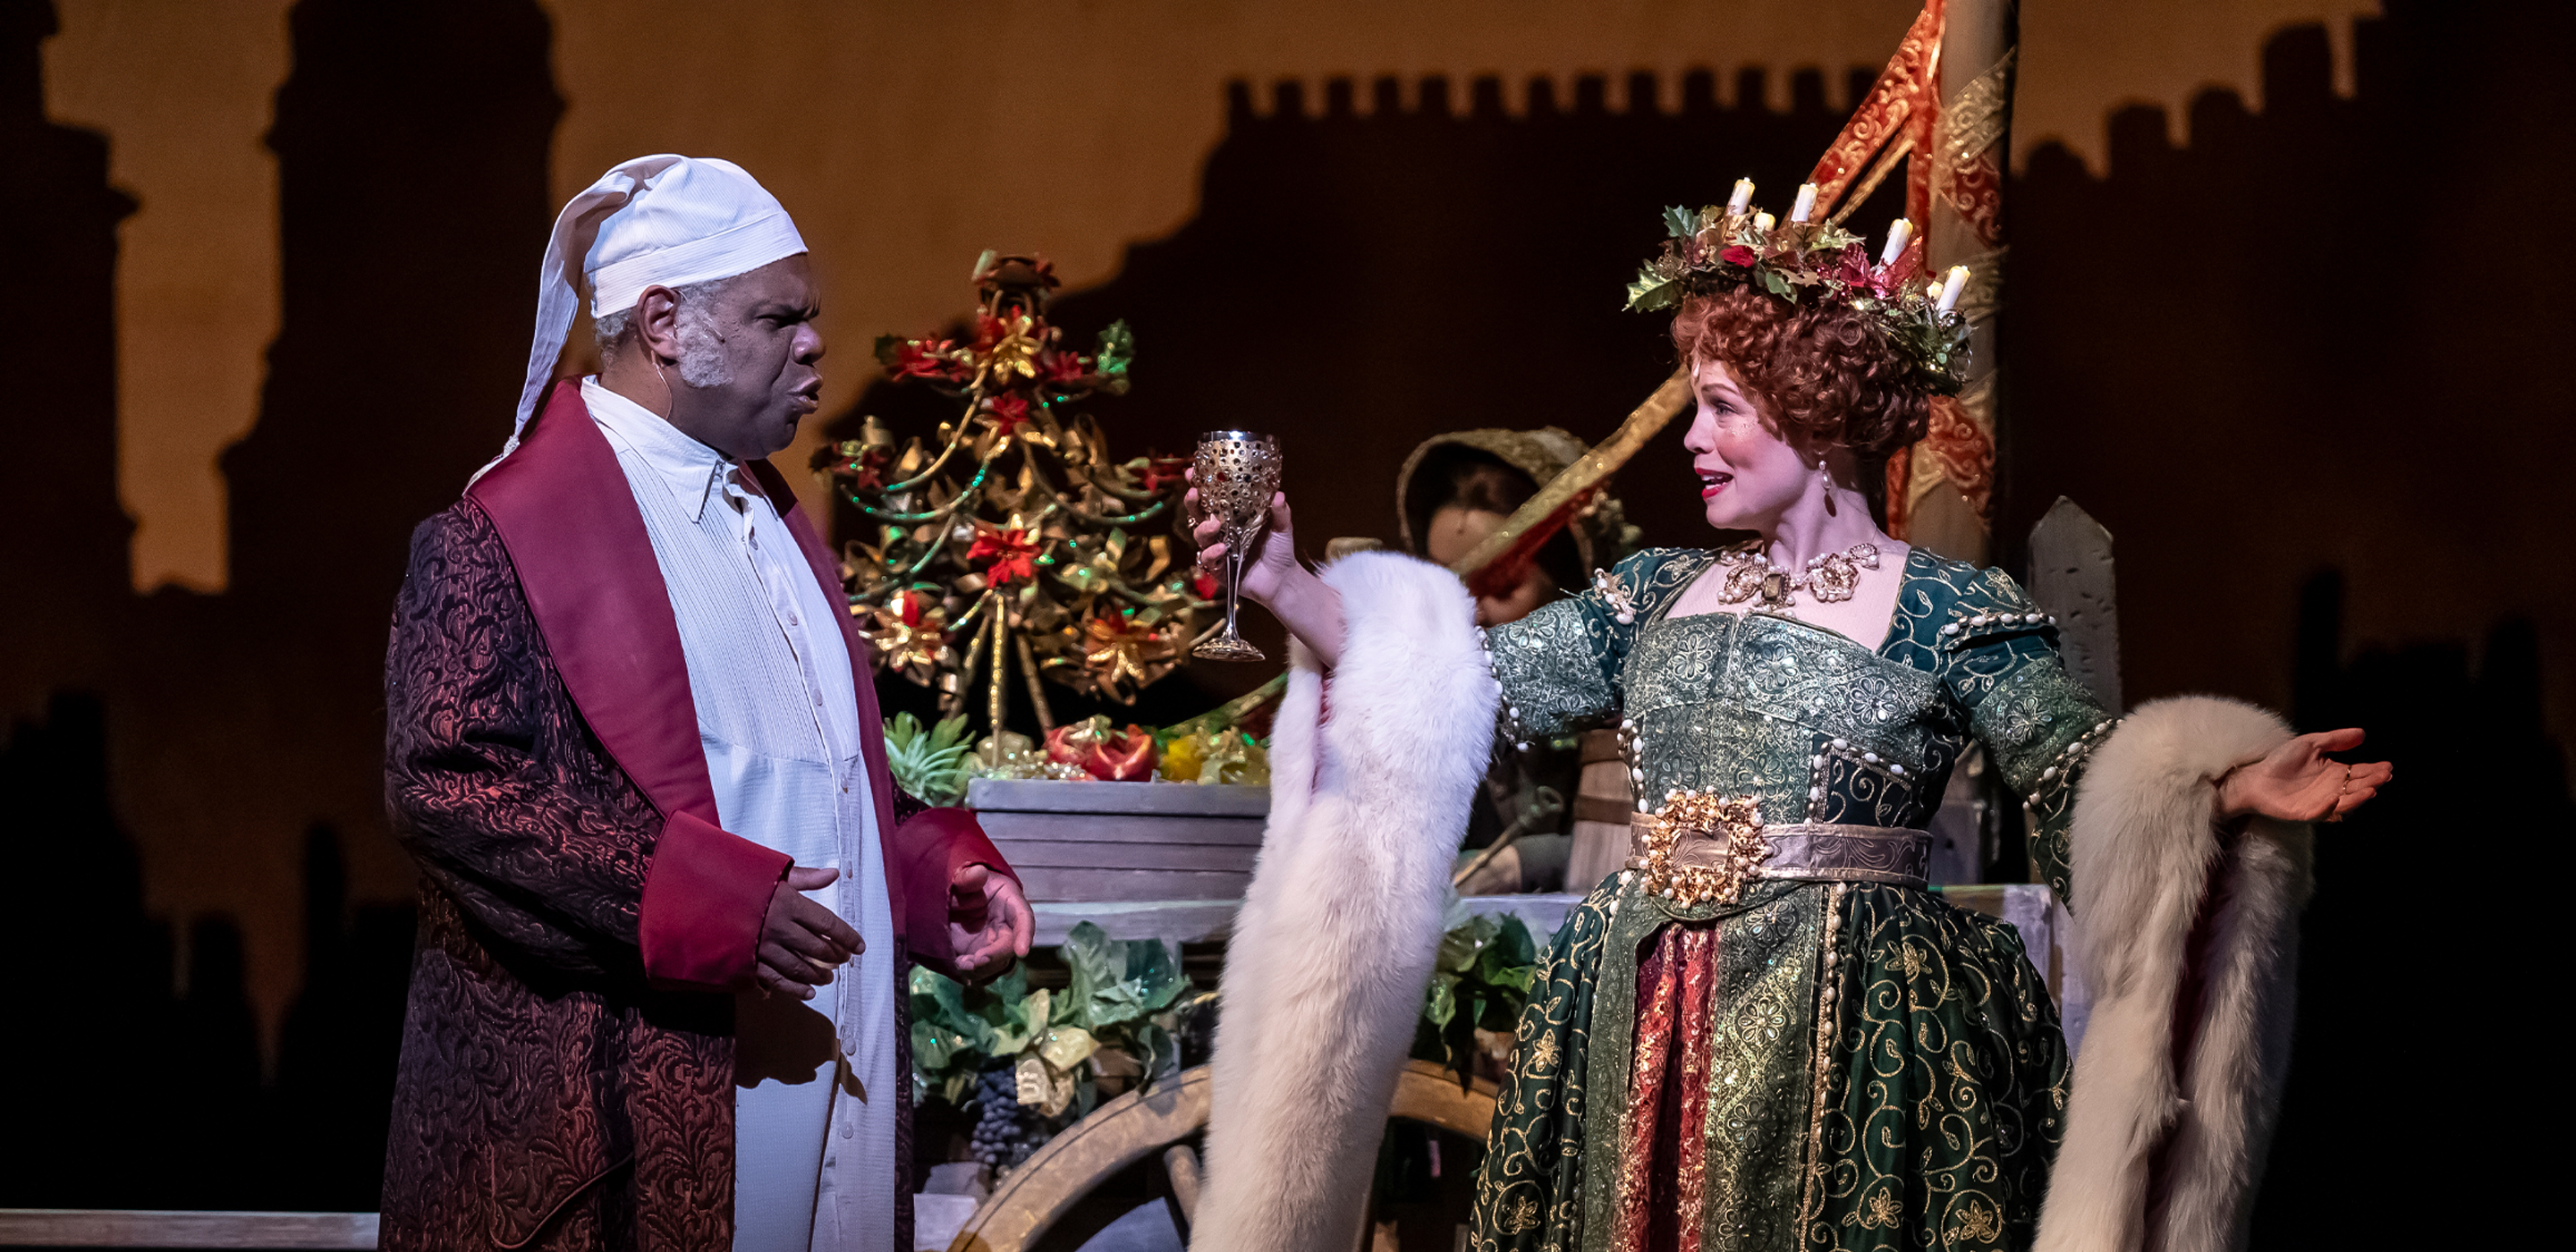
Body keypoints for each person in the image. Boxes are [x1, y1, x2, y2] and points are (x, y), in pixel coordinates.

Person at [1183, 199, 2387, 1252]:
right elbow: (1456, 683)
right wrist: (1284, 589)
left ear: (1813, 410)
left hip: (1859, 1023)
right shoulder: (1651, 594)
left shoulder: (1950, 610)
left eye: (1720, 408)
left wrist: (2218, 791)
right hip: (1639, 1009)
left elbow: (2075, 776)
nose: (1694, 440)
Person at [379, 154, 1034, 1252]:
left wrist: (923, 872)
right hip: (634, 1097)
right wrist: (704, 901)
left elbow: (808, 775)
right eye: (780, 317)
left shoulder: (764, 514)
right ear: (665, 323)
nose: (815, 343)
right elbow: (451, 786)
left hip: (821, 1058)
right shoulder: (495, 534)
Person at [1397, 429, 1639, 894]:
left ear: (1573, 585)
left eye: (1501, 586)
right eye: (1444, 585)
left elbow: (1678, 849)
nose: (1469, 613)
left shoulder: (1644, 690)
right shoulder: (1419, 697)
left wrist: (1520, 864)